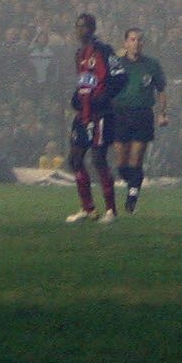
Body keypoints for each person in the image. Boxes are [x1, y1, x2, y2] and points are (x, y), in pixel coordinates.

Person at [66, 12, 119, 225]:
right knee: (75, 159)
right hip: (83, 115)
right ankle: (88, 208)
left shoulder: (104, 51)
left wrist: (104, 98)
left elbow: (120, 77)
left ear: (92, 29)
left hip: (101, 115)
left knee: (98, 159)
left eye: (84, 26)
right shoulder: (79, 54)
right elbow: (84, 82)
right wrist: (77, 97)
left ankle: (111, 211)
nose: (80, 30)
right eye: (77, 26)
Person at [108, 28, 167, 212]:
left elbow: (161, 90)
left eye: (139, 40)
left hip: (142, 114)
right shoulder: (116, 63)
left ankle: (133, 194)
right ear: (125, 43)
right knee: (121, 162)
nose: (136, 43)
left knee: (136, 158)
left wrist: (162, 113)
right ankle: (130, 181)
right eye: (132, 39)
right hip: (120, 114)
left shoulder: (151, 64)